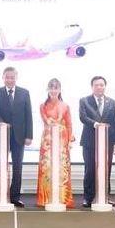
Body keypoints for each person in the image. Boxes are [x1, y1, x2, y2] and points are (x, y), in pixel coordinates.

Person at [0, 66, 33, 208]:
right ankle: (3, 194)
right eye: (7, 77)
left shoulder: (24, 93)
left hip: (19, 137)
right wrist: (1, 123)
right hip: (3, 135)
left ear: (16, 77)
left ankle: (14, 196)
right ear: (3, 78)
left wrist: (29, 135)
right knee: (3, 166)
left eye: (12, 77)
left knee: (17, 167)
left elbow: (28, 115)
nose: (9, 79)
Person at [79, 76, 115, 208]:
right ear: (92, 87)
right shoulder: (84, 100)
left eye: (101, 85)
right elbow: (83, 117)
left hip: (107, 142)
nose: (99, 87)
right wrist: (96, 124)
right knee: (90, 170)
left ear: (105, 86)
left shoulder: (112, 102)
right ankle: (88, 197)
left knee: (106, 170)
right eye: (96, 85)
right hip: (89, 142)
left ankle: (105, 196)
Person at [36, 78, 74, 208]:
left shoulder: (65, 106)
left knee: (61, 168)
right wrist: (55, 123)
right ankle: (46, 198)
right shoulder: (43, 106)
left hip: (62, 140)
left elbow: (69, 124)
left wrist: (69, 140)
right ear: (48, 90)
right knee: (47, 167)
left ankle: (63, 198)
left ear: (60, 90)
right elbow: (47, 121)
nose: (53, 91)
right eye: (51, 88)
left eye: (56, 88)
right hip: (48, 140)